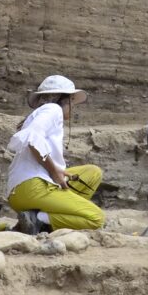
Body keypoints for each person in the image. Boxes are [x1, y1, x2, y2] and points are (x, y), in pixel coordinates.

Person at [6, 75, 105, 234]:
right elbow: (33, 140)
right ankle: (40, 220)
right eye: (72, 101)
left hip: (21, 191)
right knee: (96, 218)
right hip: (33, 187)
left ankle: (42, 218)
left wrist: (56, 172)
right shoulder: (53, 109)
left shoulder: (41, 113)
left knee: (92, 173)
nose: (73, 106)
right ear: (63, 99)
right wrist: (55, 172)